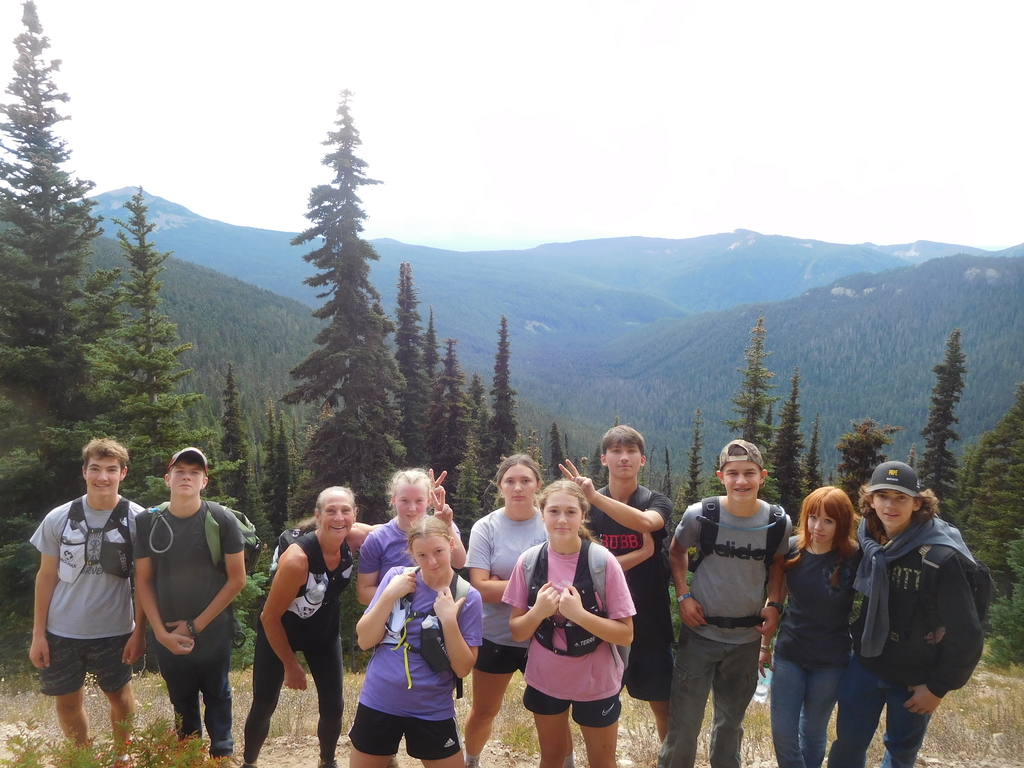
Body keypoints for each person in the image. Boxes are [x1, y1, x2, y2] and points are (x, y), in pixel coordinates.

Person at [827, 462, 984, 768]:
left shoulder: (940, 556)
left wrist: (937, 688)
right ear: (871, 500)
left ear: (917, 503)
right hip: (866, 663)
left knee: (900, 754)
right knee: (848, 744)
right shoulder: (868, 541)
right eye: (883, 496)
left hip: (915, 675)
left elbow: (967, 633)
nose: (891, 505)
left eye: (901, 497)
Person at [658, 439, 792, 768]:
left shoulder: (778, 522)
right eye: (733, 473)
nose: (741, 481)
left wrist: (774, 603)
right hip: (699, 634)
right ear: (721, 477)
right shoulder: (701, 515)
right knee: (684, 725)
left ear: (762, 476)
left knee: (730, 726)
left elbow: (778, 565)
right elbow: (676, 551)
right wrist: (683, 596)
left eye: (749, 473)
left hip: (746, 639)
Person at [504, 480, 636, 768]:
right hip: (545, 678)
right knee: (552, 757)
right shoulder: (529, 562)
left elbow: (626, 634)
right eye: (553, 511)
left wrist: (579, 615)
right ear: (542, 514)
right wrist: (538, 612)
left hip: (596, 681)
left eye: (570, 512)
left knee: (602, 762)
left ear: (583, 515)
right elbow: (517, 631)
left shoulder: (603, 562)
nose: (562, 519)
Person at [241, 486, 375, 768]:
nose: (339, 517)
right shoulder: (297, 560)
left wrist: (433, 513)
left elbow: (399, 530)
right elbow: (269, 617)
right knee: (264, 703)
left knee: (333, 706)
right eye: (331, 511)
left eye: (345, 511)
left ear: (354, 515)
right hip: (280, 631)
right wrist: (291, 665)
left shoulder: (354, 537)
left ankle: (327, 762)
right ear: (318, 516)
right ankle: (249, 762)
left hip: (323, 633)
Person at [29, 438, 147, 746]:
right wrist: (38, 634)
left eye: (111, 469)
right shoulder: (58, 518)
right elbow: (46, 576)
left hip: (115, 629)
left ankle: (122, 755)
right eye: (95, 469)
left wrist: (139, 632)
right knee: (67, 703)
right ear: (84, 472)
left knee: (120, 697)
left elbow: (145, 581)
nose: (102, 477)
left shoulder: (138, 519)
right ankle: (81, 757)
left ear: (123, 473)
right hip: (61, 629)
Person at [561, 424, 674, 740]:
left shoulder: (656, 500)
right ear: (604, 459)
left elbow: (647, 522)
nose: (624, 457)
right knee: (598, 707)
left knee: (664, 705)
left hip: (650, 620)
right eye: (616, 451)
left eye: (631, 451)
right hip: (601, 620)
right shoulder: (586, 509)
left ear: (642, 460)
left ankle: (669, 760)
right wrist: (640, 554)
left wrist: (595, 498)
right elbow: (584, 566)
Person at [134, 447, 246, 758]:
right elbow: (143, 581)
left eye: (195, 472)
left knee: (218, 694)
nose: (187, 477)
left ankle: (222, 756)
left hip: (213, 629)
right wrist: (160, 634)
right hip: (168, 630)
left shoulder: (221, 519)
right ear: (167, 478)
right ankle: (189, 757)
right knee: (181, 699)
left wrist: (195, 626)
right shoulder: (147, 522)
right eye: (180, 471)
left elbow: (237, 579)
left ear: (204, 481)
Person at [350, 516, 483, 768]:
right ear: (411, 554)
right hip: (380, 698)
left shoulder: (467, 596)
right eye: (422, 555)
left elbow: (463, 668)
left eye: (438, 552)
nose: (431, 562)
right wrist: (389, 594)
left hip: (432, 707)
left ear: (451, 545)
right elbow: (365, 639)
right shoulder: (396, 578)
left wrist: (449, 621)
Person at [463, 455, 549, 768]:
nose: (518, 488)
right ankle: (471, 760)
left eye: (525, 480)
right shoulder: (485, 527)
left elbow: (564, 582)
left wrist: (504, 583)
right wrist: (535, 586)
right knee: (484, 710)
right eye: (510, 481)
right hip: (495, 634)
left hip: (544, 635)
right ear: (500, 486)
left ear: (538, 485)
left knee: (551, 712)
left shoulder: (551, 522)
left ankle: (564, 761)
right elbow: (480, 589)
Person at [766, 486, 861, 768]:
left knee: (813, 732)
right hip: (789, 653)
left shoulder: (855, 556)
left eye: (828, 521)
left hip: (832, 661)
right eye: (813, 518)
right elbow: (775, 598)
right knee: (783, 733)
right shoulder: (791, 548)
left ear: (842, 523)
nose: (818, 527)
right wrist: (763, 646)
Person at [356, 468, 467, 605]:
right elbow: (364, 593)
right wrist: (397, 594)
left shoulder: (442, 524)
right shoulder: (377, 540)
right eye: (405, 500)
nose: (412, 508)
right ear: (393, 500)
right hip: (392, 616)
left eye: (419, 500)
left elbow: (459, 563)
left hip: (440, 611)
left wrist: (447, 525)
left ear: (428, 501)